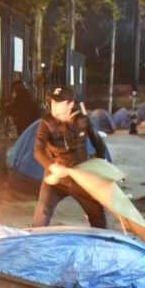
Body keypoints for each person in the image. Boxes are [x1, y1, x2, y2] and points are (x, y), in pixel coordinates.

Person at [30, 86, 108, 229]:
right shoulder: (46, 122)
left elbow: (98, 143)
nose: (53, 106)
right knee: (41, 215)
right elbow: (38, 151)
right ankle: (30, 246)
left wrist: (101, 167)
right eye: (52, 102)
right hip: (56, 178)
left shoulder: (83, 120)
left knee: (98, 217)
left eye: (58, 103)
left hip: (81, 176)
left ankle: (103, 247)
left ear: (70, 105)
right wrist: (52, 167)